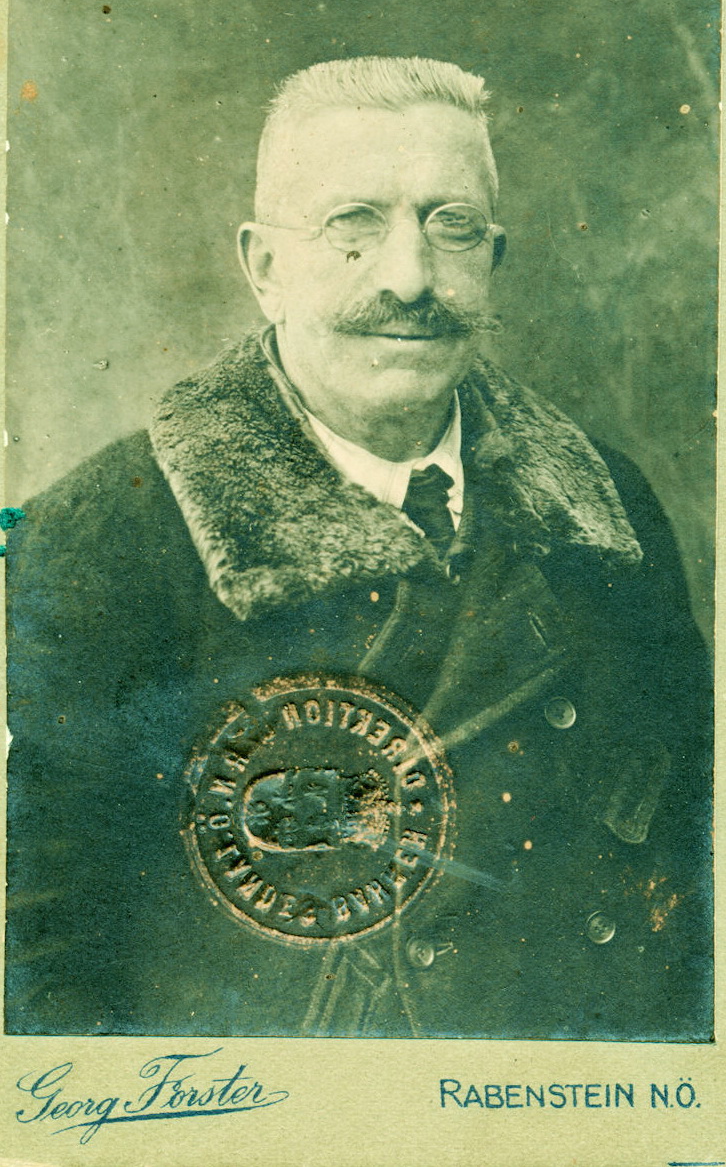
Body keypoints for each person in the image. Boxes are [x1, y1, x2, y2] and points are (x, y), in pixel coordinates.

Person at [5, 56, 712, 1040]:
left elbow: (686, 897)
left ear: (494, 258)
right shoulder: (106, 537)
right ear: (263, 267)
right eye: (353, 224)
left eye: (451, 226)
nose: (410, 278)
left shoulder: (608, 508)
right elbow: (47, 971)